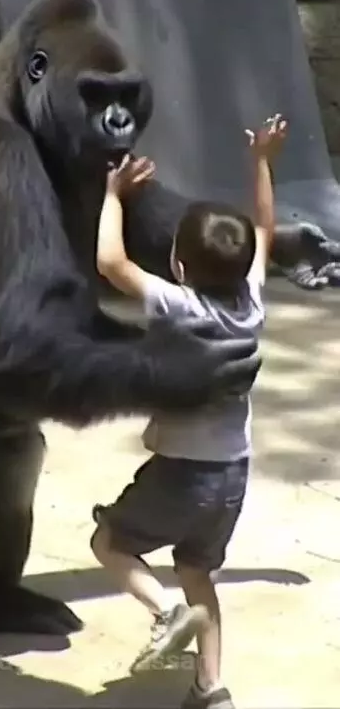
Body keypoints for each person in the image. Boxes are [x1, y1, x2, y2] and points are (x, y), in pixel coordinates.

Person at [90, 115, 288, 708]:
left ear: (178, 267)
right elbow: (265, 229)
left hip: (182, 472)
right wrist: (262, 161)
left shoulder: (180, 306)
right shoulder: (252, 301)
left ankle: (167, 611)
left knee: (111, 544)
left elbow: (111, 263)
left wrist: (110, 196)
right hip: (233, 475)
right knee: (199, 570)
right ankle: (211, 687)